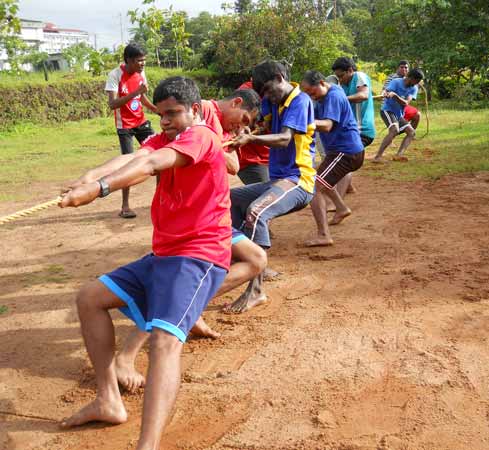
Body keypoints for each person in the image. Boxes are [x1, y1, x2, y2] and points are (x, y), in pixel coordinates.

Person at [59, 76, 231, 450]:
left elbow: (152, 163)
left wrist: (100, 189)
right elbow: (135, 156)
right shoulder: (167, 137)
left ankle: (147, 446)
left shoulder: (201, 136)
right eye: (161, 114)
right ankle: (108, 400)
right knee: (90, 298)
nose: (165, 121)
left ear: (195, 110)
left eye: (173, 113)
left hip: (198, 256)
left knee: (165, 342)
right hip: (164, 255)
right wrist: (88, 177)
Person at [114, 89, 268, 391]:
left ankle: (191, 307)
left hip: (210, 217)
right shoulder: (203, 115)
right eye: (243, 119)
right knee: (170, 294)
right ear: (236, 103)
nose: (240, 126)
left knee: (256, 259)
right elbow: (230, 165)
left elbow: (229, 164)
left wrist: (234, 140)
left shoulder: (216, 122)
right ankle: (126, 356)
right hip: (193, 222)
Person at [225, 60, 316, 314]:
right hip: (278, 180)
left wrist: (250, 138)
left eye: (267, 90)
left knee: (256, 211)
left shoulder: (300, 101)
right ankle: (248, 262)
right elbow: (263, 126)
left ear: (279, 78)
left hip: (299, 180)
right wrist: (247, 128)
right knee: (231, 199)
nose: (266, 97)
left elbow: (285, 138)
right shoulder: (272, 101)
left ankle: (256, 289)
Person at [300, 71, 365, 247]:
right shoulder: (322, 97)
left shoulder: (333, 96)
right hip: (340, 152)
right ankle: (341, 208)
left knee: (313, 187)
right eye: (307, 93)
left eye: (312, 92)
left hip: (346, 153)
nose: (311, 96)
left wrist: (301, 122)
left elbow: (327, 125)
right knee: (322, 180)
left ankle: (324, 235)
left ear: (322, 83)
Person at [105, 43, 158, 219]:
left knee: (160, 154)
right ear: (128, 60)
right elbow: (113, 104)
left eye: (144, 60)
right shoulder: (115, 75)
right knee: (127, 164)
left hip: (141, 122)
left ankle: (161, 200)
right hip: (125, 126)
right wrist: (136, 92)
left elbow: (142, 97)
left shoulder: (141, 72)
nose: (142, 64)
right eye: (139, 61)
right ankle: (125, 206)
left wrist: (156, 110)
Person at [331, 57, 374, 195]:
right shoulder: (343, 86)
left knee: (345, 159)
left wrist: (341, 99)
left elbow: (364, 95)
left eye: (341, 76)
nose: (340, 79)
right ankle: (348, 187)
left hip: (362, 129)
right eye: (337, 77)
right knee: (342, 156)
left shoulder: (359, 76)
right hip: (351, 129)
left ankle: (339, 198)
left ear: (350, 70)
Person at [374, 68, 424, 163]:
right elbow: (386, 91)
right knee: (394, 130)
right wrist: (385, 93)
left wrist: (395, 95)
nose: (416, 83)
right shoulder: (396, 82)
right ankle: (377, 157)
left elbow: (405, 103)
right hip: (387, 110)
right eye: (416, 81)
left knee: (411, 132)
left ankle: (399, 155)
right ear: (411, 77)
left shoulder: (414, 88)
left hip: (399, 114)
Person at [236, 79, 271, 184]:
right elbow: (240, 118)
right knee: (266, 191)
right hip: (252, 159)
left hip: (272, 155)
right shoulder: (247, 91)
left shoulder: (277, 91)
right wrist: (253, 124)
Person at [382, 60, 421, 130]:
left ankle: (408, 132)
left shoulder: (410, 80)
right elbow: (385, 91)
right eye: (401, 67)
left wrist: (415, 83)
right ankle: (398, 129)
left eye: (406, 67)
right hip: (390, 105)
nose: (404, 69)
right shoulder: (393, 77)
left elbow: (407, 100)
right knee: (395, 129)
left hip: (402, 105)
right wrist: (385, 94)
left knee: (417, 114)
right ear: (397, 68)